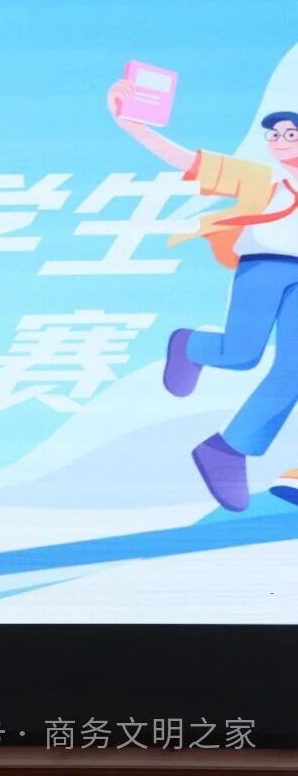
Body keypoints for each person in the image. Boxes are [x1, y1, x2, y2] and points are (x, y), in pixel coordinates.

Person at [107, 79, 298, 511]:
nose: (280, 140)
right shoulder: (260, 177)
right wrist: (131, 125)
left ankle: (227, 449)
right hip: (264, 267)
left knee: (293, 371)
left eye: (290, 133)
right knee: (242, 354)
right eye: (274, 134)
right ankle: (190, 345)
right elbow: (188, 161)